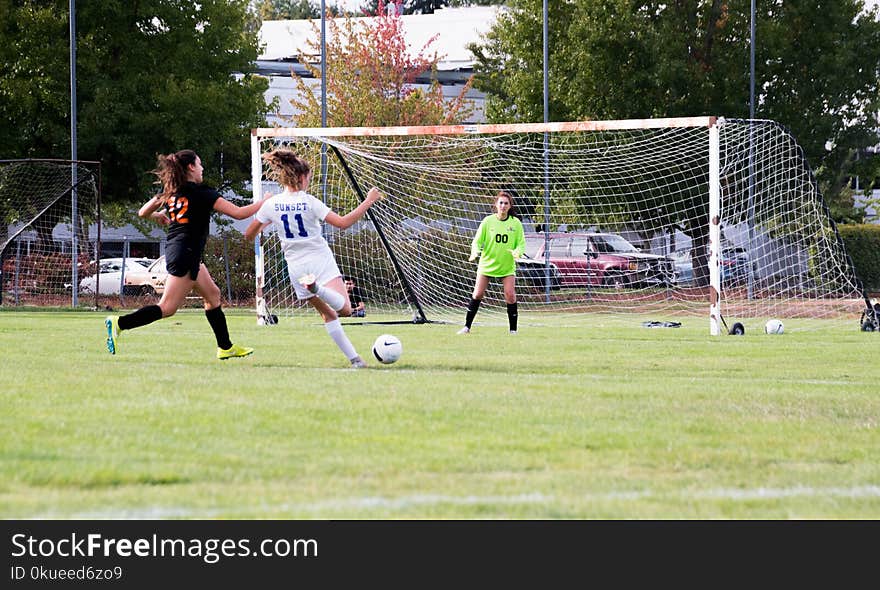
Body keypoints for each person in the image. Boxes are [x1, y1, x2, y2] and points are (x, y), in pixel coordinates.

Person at [104, 149, 266, 360]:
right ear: (191, 167)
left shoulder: (171, 191)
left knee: (213, 295)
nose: (202, 168)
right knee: (168, 308)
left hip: (182, 250)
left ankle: (225, 347)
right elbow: (239, 213)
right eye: (200, 164)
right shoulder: (202, 192)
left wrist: (158, 216)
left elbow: (142, 212)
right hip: (185, 253)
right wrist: (266, 201)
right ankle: (119, 323)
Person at [244, 149, 383, 368]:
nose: (309, 181)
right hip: (320, 259)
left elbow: (249, 234)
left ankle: (356, 360)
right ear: (301, 177)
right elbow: (343, 223)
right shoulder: (310, 201)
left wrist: (269, 220)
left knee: (328, 314)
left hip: (296, 267)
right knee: (345, 309)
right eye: (308, 177)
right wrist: (368, 201)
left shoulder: (272, 204)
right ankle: (316, 288)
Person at [458, 189, 525, 335]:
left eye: (506, 203)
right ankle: (466, 327)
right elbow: (477, 241)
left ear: (510, 206)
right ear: (496, 204)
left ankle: (513, 330)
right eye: (501, 203)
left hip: (506, 266)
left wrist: (517, 252)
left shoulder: (516, 224)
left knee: (510, 295)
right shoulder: (488, 222)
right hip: (487, 265)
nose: (503, 206)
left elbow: (521, 244)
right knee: (477, 294)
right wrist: (474, 252)